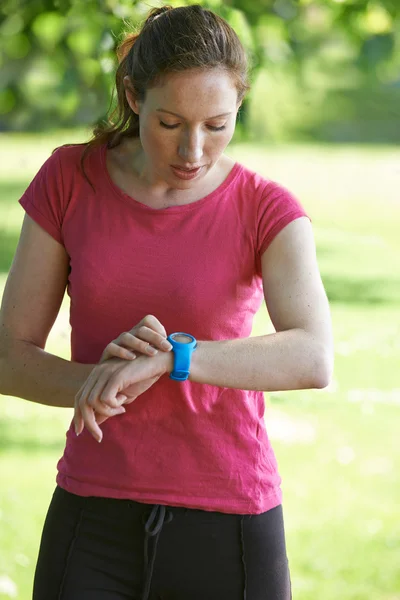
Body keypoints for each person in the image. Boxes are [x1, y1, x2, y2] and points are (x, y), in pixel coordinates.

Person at [0, 4, 333, 599]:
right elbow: (6, 355)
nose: (193, 151)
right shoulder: (69, 180)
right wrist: (93, 382)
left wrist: (173, 359)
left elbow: (313, 356)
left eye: (218, 124)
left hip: (229, 515)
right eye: (171, 123)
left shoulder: (266, 208)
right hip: (93, 514)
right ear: (134, 97)